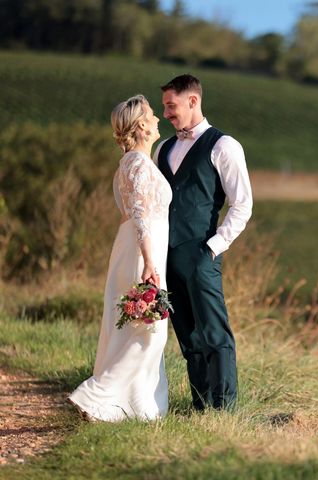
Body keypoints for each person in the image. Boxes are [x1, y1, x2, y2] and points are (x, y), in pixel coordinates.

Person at [68, 95, 172, 422]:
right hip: (144, 249)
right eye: (153, 115)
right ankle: (95, 395)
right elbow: (140, 214)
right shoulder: (138, 164)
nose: (158, 119)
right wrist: (150, 263)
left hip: (133, 246)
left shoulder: (127, 163)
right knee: (149, 329)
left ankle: (134, 408)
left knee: (138, 328)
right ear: (141, 125)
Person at [154, 74, 252, 410]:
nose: (165, 112)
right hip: (166, 256)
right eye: (165, 105)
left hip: (201, 255)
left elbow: (242, 205)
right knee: (188, 336)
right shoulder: (162, 148)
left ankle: (224, 408)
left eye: (171, 105)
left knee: (215, 333)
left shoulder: (225, 146)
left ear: (193, 100)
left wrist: (212, 247)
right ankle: (200, 406)